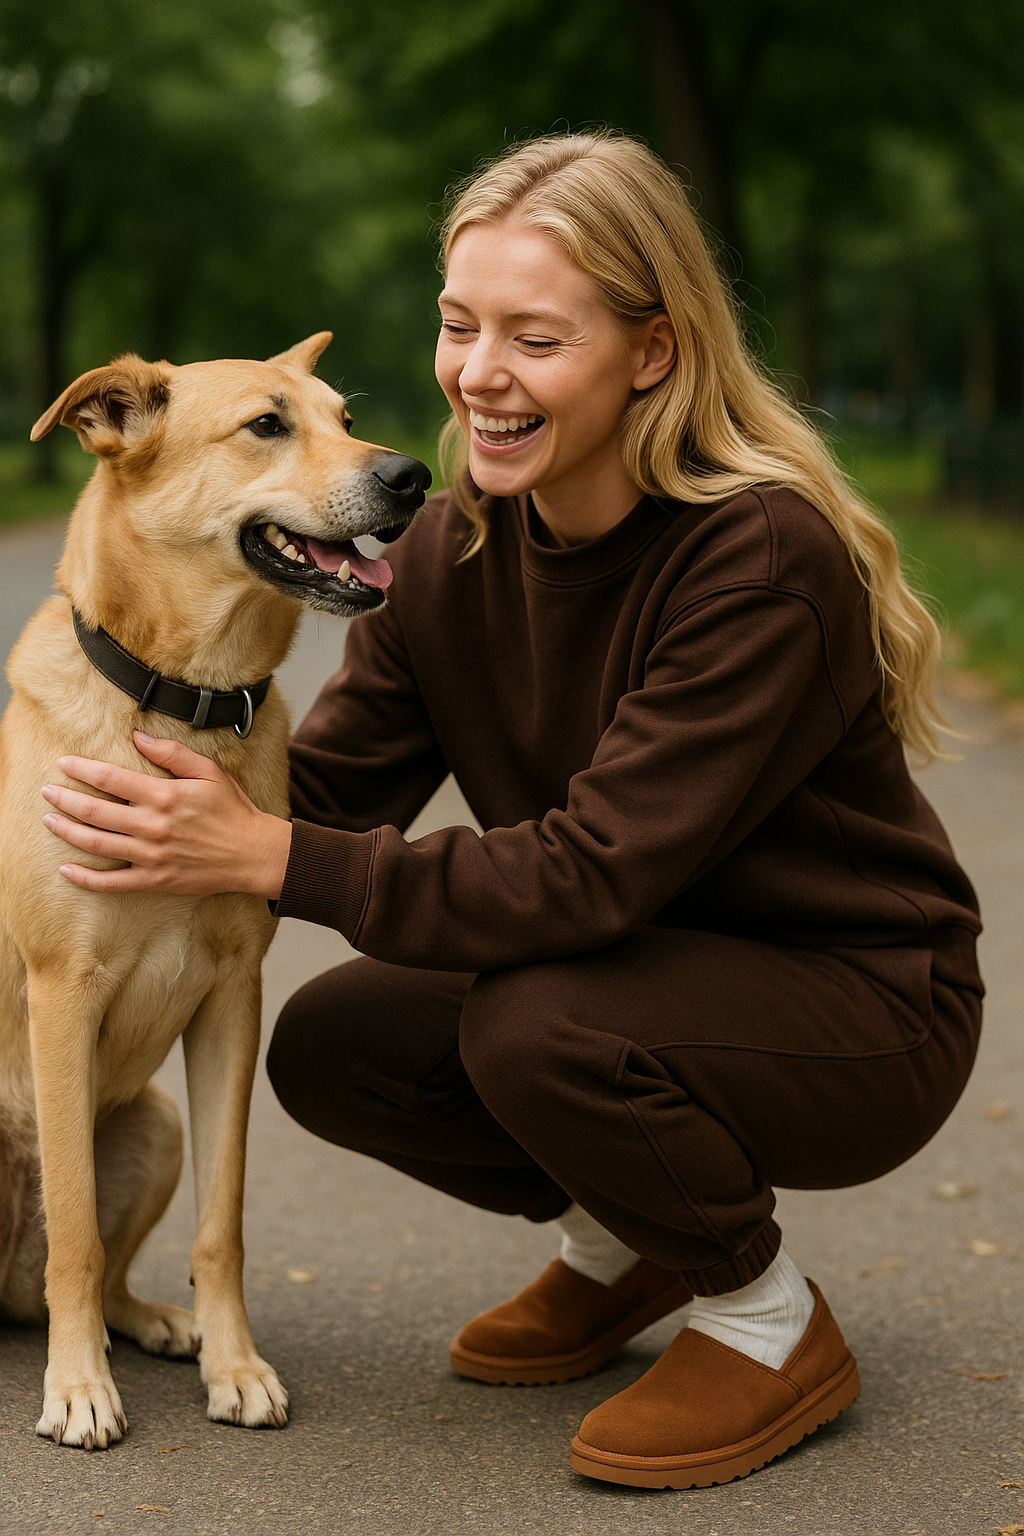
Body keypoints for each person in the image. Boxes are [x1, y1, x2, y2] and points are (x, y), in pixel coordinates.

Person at [42, 132, 983, 1490]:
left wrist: (265, 850)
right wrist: (122, 711)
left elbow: (591, 875)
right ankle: (629, 1234)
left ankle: (762, 1311)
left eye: (536, 338)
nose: (481, 373)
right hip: (642, 968)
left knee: (538, 1025)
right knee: (340, 1044)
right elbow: (337, 789)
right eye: (459, 323)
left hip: (860, 1007)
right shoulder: (458, 547)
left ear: (649, 353)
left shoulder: (758, 559)